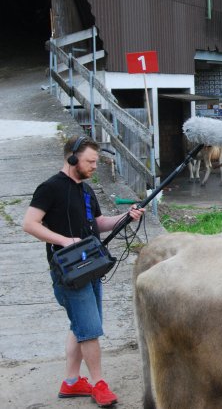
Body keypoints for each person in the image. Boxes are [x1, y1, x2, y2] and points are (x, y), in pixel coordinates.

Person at [21, 135, 145, 407]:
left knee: (81, 325)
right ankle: (99, 384)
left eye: (95, 162)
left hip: (90, 267)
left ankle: (72, 381)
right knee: (89, 328)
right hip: (68, 272)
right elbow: (30, 224)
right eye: (90, 161)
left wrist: (127, 217)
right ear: (72, 158)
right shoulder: (50, 188)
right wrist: (64, 240)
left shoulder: (86, 190)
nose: (93, 167)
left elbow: (98, 223)